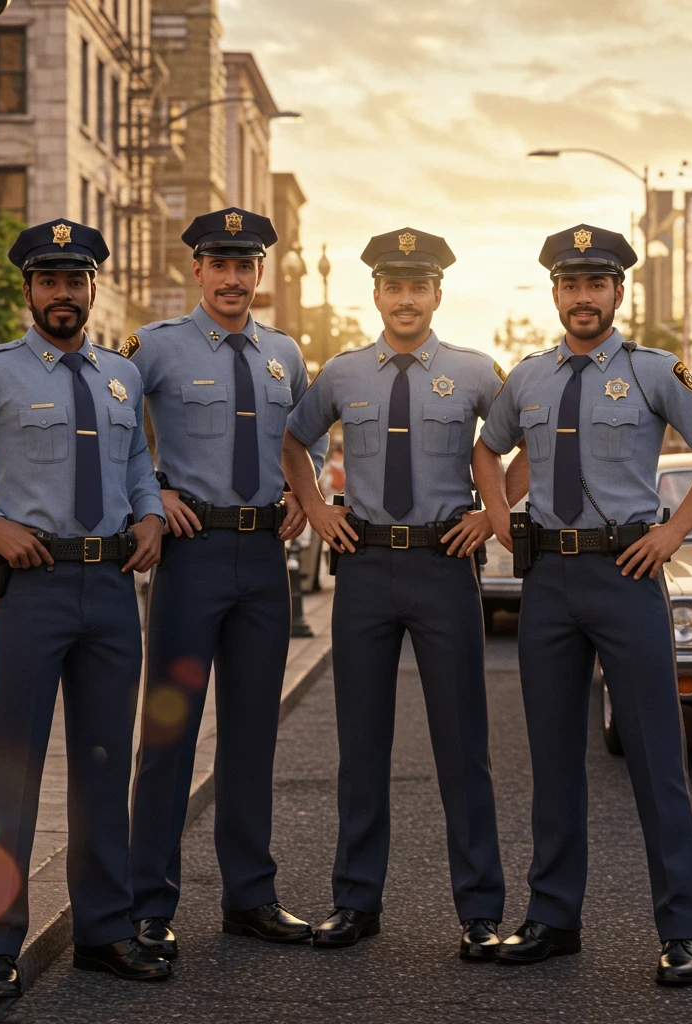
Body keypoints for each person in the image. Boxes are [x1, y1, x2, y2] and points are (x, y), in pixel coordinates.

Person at [0, 218, 171, 1000]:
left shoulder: (122, 376)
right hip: (37, 587)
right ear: (28, 291)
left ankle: (104, 931)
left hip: (113, 591)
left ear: (92, 289)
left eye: (76, 281)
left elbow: (135, 460)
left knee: (102, 766)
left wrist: (149, 512)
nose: (64, 294)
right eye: (50, 281)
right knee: (12, 775)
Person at [472, 224, 692, 985]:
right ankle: (553, 919)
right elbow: (487, 451)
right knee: (554, 760)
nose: (583, 298)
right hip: (550, 585)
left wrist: (672, 535)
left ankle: (684, 931)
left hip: (626, 575)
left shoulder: (656, 372)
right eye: (570, 284)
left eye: (597, 284)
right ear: (554, 293)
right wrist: (499, 522)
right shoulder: (526, 378)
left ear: (618, 293)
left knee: (658, 758)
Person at [282, 228, 507, 960]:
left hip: (445, 564)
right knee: (362, 744)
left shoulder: (477, 372)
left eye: (419, 286)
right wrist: (316, 507)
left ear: (439, 294)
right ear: (374, 294)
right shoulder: (344, 372)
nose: (406, 299)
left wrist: (491, 514)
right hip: (367, 567)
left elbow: (520, 440)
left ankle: (479, 912)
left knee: (463, 745)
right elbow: (295, 440)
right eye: (393, 286)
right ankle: (355, 901)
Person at [124, 207, 327, 955]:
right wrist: (151, 492)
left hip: (261, 564)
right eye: (221, 265)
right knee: (169, 733)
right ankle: (150, 903)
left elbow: (305, 438)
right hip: (191, 558)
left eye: (247, 266)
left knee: (251, 737)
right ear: (198, 271)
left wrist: (305, 497)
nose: (235, 279)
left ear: (260, 275)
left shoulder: (285, 353)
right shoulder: (153, 348)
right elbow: (113, 433)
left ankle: (251, 896)